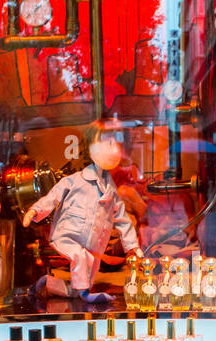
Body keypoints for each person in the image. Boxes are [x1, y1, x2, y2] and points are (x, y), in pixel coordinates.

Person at [23, 119, 143, 304]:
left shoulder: (110, 188)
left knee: (77, 287)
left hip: (95, 245)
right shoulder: (76, 180)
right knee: (80, 257)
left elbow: (121, 218)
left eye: (117, 144)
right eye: (108, 142)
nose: (113, 150)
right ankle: (86, 294)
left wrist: (132, 246)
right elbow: (54, 196)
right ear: (90, 147)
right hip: (69, 236)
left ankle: (47, 283)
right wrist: (35, 211)